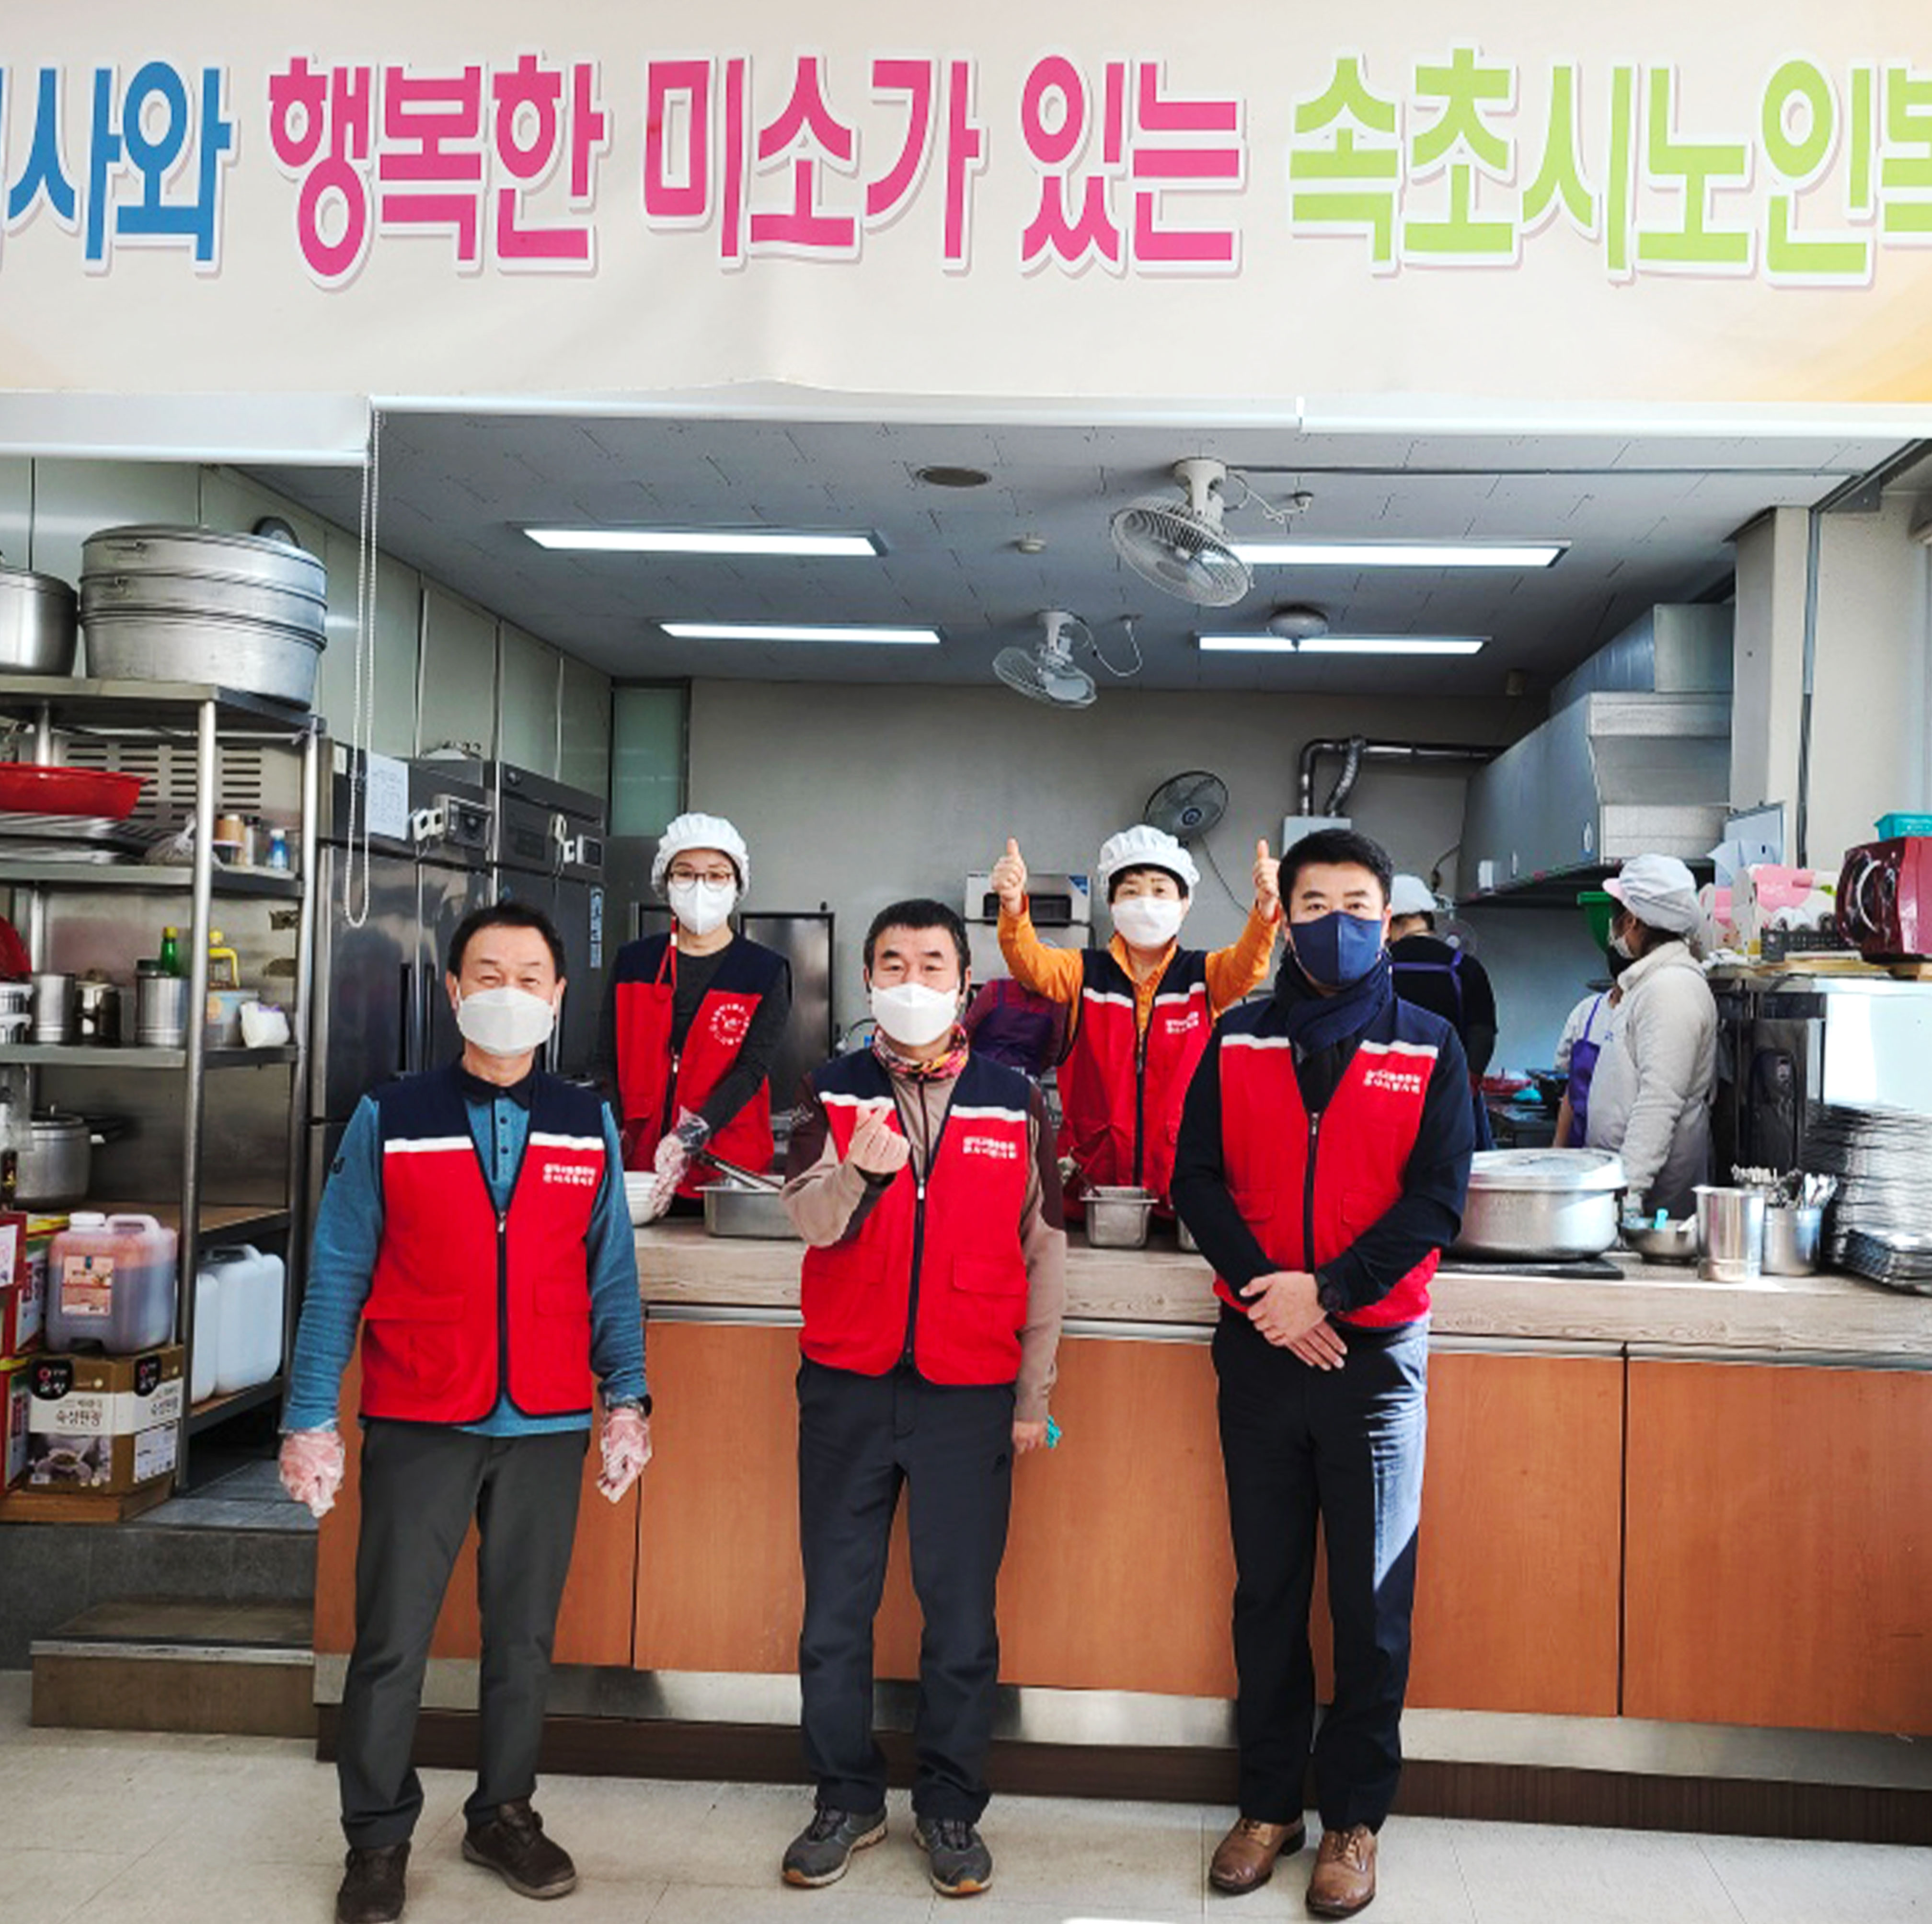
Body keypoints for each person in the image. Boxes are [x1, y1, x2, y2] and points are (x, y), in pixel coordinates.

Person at [280, 902, 650, 1924]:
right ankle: (376, 1839)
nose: (507, 993)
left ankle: (503, 1814)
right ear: (451, 991)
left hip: (546, 1418)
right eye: (487, 974)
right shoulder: (391, 1115)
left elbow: (611, 1276)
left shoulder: (584, 1119)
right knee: (392, 1640)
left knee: (523, 1639)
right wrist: (309, 1416)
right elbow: (337, 1273)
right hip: (420, 1412)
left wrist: (627, 1398)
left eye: (530, 977)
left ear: (559, 995)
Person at [1171, 829, 1474, 1919]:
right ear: (1285, 919)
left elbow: (1438, 1198)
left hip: (1374, 1364)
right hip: (1258, 1352)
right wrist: (1273, 1296)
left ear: (1385, 921)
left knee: (1369, 1602)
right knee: (1267, 1591)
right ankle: (1267, 1805)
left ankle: (1354, 1817)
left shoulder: (1430, 1044)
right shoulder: (1236, 1037)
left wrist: (1330, 1291)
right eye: (1313, 904)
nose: (1334, 921)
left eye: (1355, 903)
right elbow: (1195, 1178)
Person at [779, 898, 1065, 1901]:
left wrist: (1032, 1394)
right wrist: (858, 1177)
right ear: (868, 981)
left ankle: (950, 1807)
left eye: (932, 964)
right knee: (836, 1612)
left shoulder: (1012, 1099)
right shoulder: (828, 1089)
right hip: (848, 1387)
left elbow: (1045, 1252)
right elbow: (809, 1221)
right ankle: (845, 1798)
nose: (912, 980)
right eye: (893, 964)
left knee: (960, 1619)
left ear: (964, 984)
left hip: (968, 1394)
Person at [992, 824, 1279, 1209]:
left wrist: (1265, 911)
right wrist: (1013, 906)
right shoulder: (1082, 972)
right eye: (1130, 891)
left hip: (1184, 1186)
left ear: (1185, 903)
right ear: (1112, 904)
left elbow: (1248, 967)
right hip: (1092, 1185)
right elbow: (1031, 964)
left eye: (1160, 890)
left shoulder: (1205, 975)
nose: (1146, 902)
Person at [597, 812, 792, 1217]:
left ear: (737, 885)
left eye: (717, 875)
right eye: (685, 873)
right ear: (666, 882)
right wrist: (613, 1133)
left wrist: (691, 1134)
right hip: (641, 1175)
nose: (701, 886)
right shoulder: (634, 963)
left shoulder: (764, 971)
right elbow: (605, 1059)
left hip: (724, 1175)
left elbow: (751, 1072)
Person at [1583, 853, 1717, 1218]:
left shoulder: (1671, 989)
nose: (1615, 928)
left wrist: (1629, 1194)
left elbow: (1660, 1100)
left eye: (1618, 916)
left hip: (1653, 1208)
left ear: (1633, 920)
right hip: (1620, 1188)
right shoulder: (1650, 983)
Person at [1386, 872, 1499, 1149]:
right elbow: (1483, 1032)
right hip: (1452, 1094)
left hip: (1391, 1093)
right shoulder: (1465, 968)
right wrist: (1468, 1086)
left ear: (1392, 922)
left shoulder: (1378, 970)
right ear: (1429, 919)